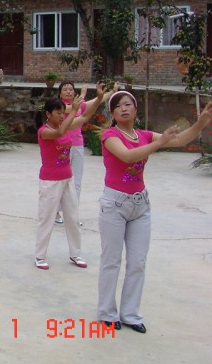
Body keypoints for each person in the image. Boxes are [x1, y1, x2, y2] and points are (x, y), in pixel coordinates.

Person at [98, 91, 212, 334]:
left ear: (135, 109)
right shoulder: (110, 136)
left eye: (128, 104)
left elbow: (179, 140)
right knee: (111, 261)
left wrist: (200, 123)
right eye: (118, 106)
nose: (124, 109)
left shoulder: (144, 135)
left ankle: (130, 314)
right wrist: (158, 144)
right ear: (113, 114)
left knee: (138, 262)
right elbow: (128, 156)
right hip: (114, 204)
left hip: (140, 204)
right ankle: (107, 312)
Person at [33, 84, 105, 270]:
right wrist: (73, 110)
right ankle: (40, 255)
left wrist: (98, 99)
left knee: (72, 216)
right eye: (58, 113)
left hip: (67, 179)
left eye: (62, 112)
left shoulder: (65, 126)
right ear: (48, 114)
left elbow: (85, 117)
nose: (61, 115)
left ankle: (75, 253)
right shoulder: (44, 131)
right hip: (50, 181)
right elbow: (59, 132)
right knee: (46, 218)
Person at [54, 81, 118, 224]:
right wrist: (83, 94)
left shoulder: (79, 105)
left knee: (76, 182)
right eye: (65, 89)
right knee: (61, 180)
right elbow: (72, 108)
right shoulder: (59, 106)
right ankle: (56, 211)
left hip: (77, 145)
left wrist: (112, 92)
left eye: (71, 89)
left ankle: (73, 215)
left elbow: (97, 100)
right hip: (62, 146)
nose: (68, 91)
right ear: (60, 93)